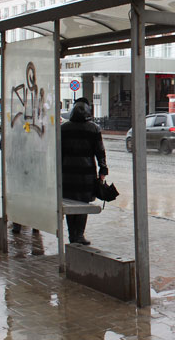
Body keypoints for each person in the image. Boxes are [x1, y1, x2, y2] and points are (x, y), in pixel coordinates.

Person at [61, 97, 108, 245]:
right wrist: (103, 170)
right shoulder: (94, 129)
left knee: (69, 203)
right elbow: (100, 151)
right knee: (83, 203)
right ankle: (79, 235)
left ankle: (72, 235)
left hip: (66, 173)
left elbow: (58, 152)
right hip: (86, 174)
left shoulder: (63, 128)